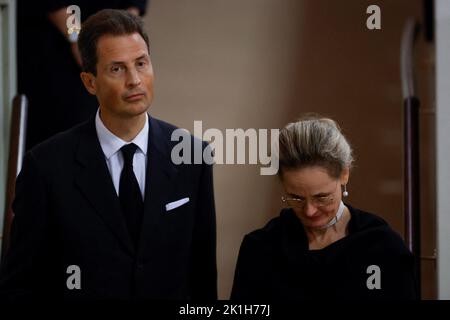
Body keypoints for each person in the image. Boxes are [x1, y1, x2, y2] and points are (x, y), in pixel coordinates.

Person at [0, 9, 217, 301]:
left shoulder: (193, 155)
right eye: (117, 69)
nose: (135, 80)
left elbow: (202, 277)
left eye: (141, 64)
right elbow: (21, 285)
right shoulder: (45, 166)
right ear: (90, 82)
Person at [231, 116, 418, 300]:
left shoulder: (382, 246)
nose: (309, 211)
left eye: (322, 197)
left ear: (344, 175)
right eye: (296, 198)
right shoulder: (261, 248)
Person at [18, 0, 148, 150]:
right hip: (52, 57)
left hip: (106, 46)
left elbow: (133, 6)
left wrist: (125, 33)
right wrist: (77, 37)